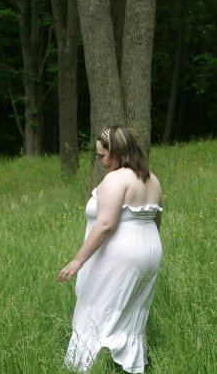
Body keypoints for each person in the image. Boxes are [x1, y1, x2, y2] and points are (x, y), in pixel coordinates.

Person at [59, 125, 163, 373]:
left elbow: (106, 224)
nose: (100, 161)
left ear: (117, 152)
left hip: (120, 255)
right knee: (129, 311)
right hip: (149, 252)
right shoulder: (152, 179)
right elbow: (156, 219)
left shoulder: (116, 179)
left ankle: (81, 367)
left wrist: (78, 260)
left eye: (102, 155)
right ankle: (130, 365)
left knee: (96, 308)